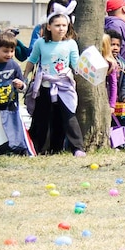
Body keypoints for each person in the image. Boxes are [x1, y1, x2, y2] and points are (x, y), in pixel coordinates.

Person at [25, 10, 83, 154]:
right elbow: (32, 60)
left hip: (64, 85)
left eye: (64, 25)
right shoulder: (40, 43)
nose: (61, 28)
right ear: (49, 27)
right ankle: (38, 148)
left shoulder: (71, 44)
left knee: (69, 115)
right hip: (44, 84)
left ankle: (77, 148)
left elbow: (76, 64)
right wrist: (25, 75)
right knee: (41, 117)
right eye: (57, 25)